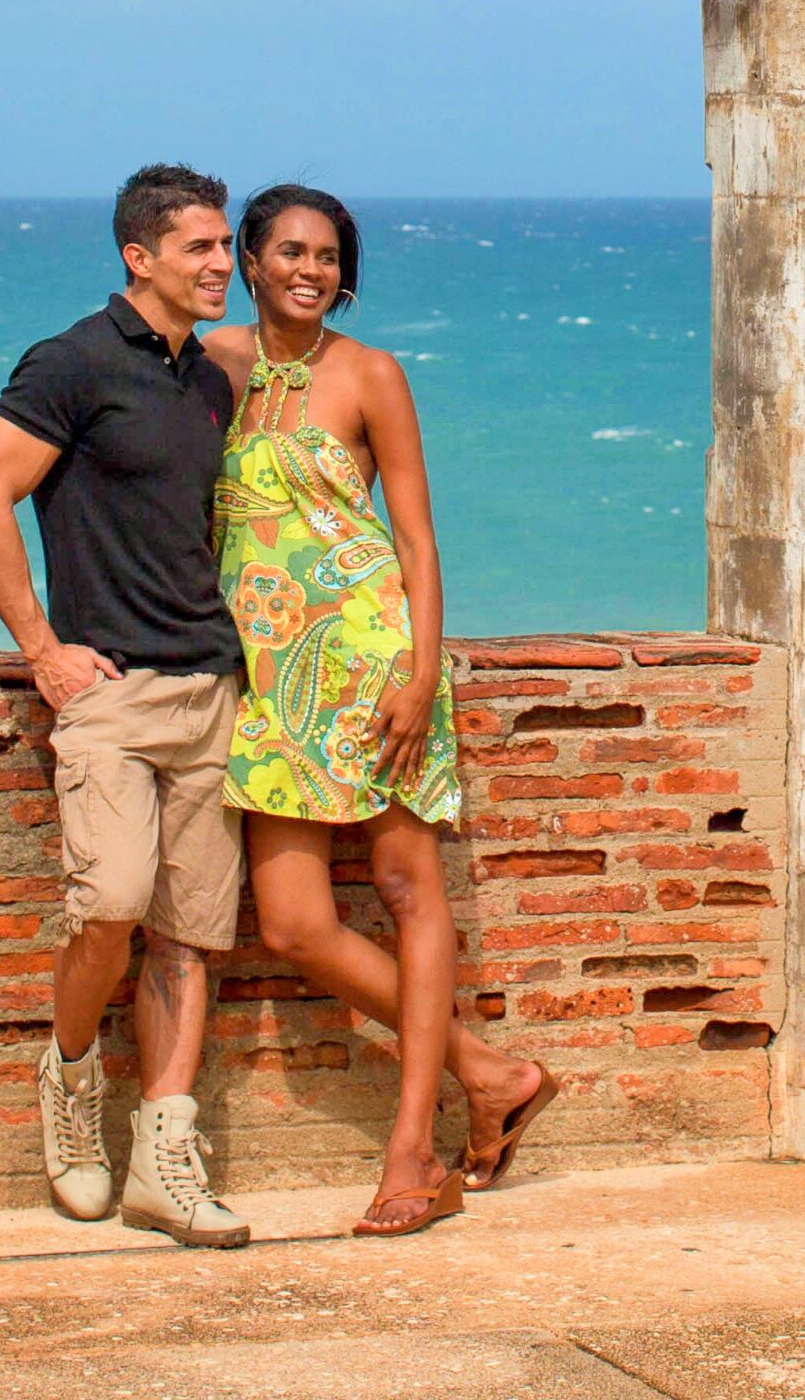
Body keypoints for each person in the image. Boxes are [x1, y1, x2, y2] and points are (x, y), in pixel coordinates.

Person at [202, 182, 553, 1239]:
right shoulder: (211, 364)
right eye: (289, 252)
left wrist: (418, 670)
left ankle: (414, 1150)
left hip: (370, 656)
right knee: (294, 922)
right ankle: (490, 1072)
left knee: (405, 886)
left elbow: (415, 539)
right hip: (266, 673)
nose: (309, 269)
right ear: (251, 261)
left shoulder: (370, 373)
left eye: (327, 255)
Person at [0, 163, 251, 1249]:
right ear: (141, 256)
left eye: (226, 248)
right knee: (113, 905)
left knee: (190, 933)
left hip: (212, 686)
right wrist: (41, 649)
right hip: (109, 693)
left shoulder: (211, 376)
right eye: (202, 249)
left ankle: (162, 1157)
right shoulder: (71, 362)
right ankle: (72, 1083)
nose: (224, 265)